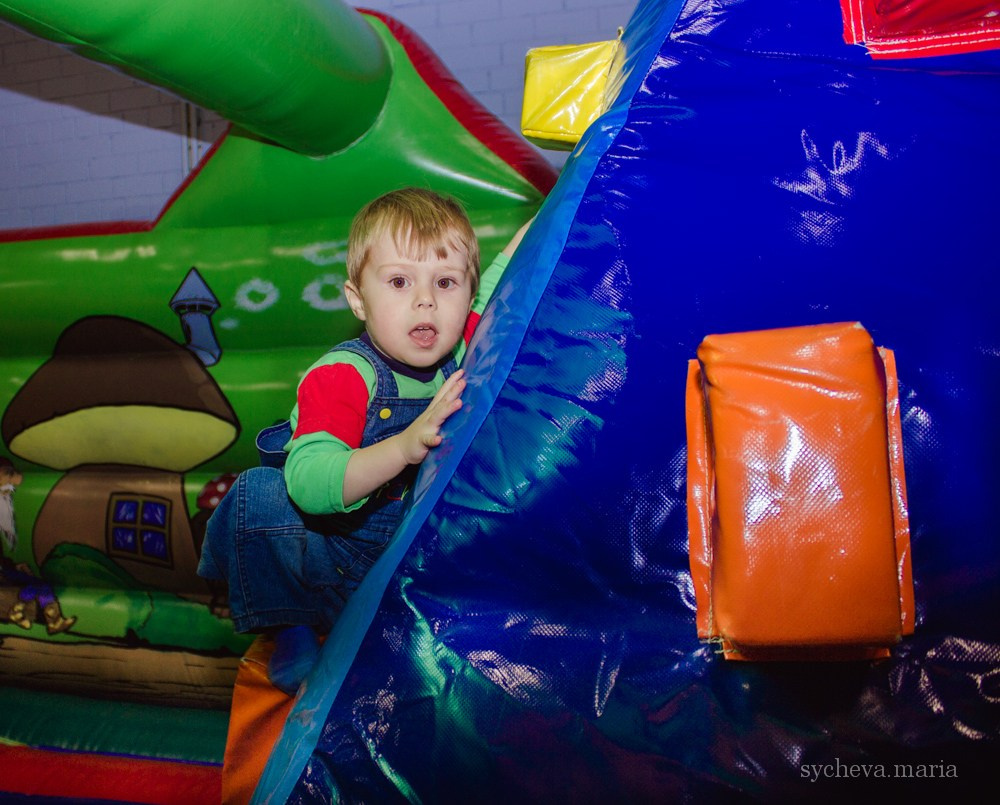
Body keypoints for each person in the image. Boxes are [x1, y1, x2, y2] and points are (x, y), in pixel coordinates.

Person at [199, 188, 532, 693]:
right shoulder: (343, 376)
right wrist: (402, 447)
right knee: (259, 492)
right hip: (327, 565)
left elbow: (510, 267)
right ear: (358, 299)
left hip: (402, 560)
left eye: (445, 282)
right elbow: (309, 484)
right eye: (399, 281)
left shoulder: (464, 342)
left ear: (465, 295)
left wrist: (575, 185)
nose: (426, 300)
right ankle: (289, 626)